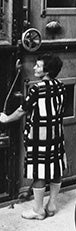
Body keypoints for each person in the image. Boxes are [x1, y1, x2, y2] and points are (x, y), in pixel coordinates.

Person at [0, 55, 67, 219]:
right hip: (56, 134)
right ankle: (51, 205)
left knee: (40, 172)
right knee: (55, 168)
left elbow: (23, 110)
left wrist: (6, 118)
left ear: (47, 71)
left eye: (38, 66)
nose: (35, 68)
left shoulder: (37, 89)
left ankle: (38, 211)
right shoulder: (60, 86)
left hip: (40, 137)